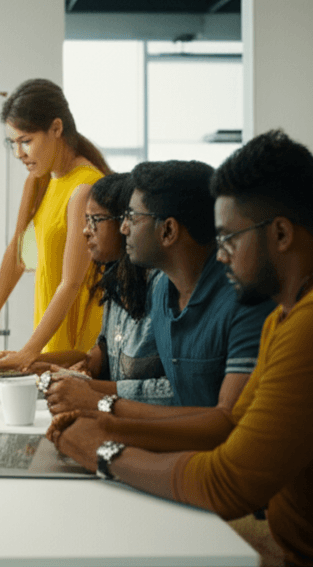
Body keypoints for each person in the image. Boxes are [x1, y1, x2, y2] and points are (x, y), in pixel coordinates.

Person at [48, 130, 313, 566]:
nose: (219, 256)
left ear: (281, 234)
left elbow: (227, 484)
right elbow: (230, 425)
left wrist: (103, 452)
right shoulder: (290, 312)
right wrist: (105, 428)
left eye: (229, 239)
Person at [44, 160, 275, 453]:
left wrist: (103, 412)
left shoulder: (245, 300)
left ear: (168, 231)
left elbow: (226, 425)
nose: (123, 227)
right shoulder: (163, 291)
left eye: (132, 217)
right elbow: (180, 404)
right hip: (179, 456)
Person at [0, 78, 112, 372]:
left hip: (80, 346)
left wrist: (27, 352)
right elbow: (19, 254)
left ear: (56, 129)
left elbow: (71, 282)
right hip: (50, 343)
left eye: (26, 141)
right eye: (13, 144)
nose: (18, 154)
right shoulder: (39, 181)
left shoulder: (85, 188)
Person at [32, 173, 171, 405]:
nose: (86, 230)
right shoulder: (116, 280)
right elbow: (103, 355)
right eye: (86, 220)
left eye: (95, 220)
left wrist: (89, 388)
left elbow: (174, 390)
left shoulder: (162, 287)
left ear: (125, 222)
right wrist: (81, 365)